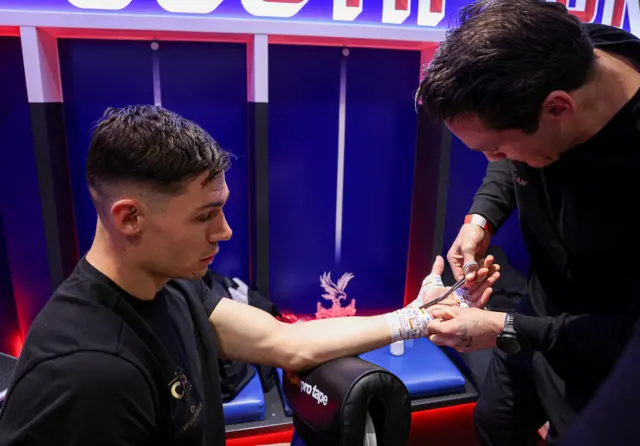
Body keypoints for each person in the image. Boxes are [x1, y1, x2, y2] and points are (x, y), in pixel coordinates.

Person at [0, 105, 499, 446]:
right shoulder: (90, 373)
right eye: (204, 216)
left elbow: (286, 344)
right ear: (129, 218)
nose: (225, 231)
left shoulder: (171, 284)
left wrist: (415, 318)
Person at [416, 0, 640, 444]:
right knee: (496, 422)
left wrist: (503, 327)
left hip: (615, 347)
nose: (492, 160)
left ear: (559, 109)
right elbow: (508, 143)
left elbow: (625, 331)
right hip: (542, 302)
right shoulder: (564, 54)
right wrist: (481, 217)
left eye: (497, 148)